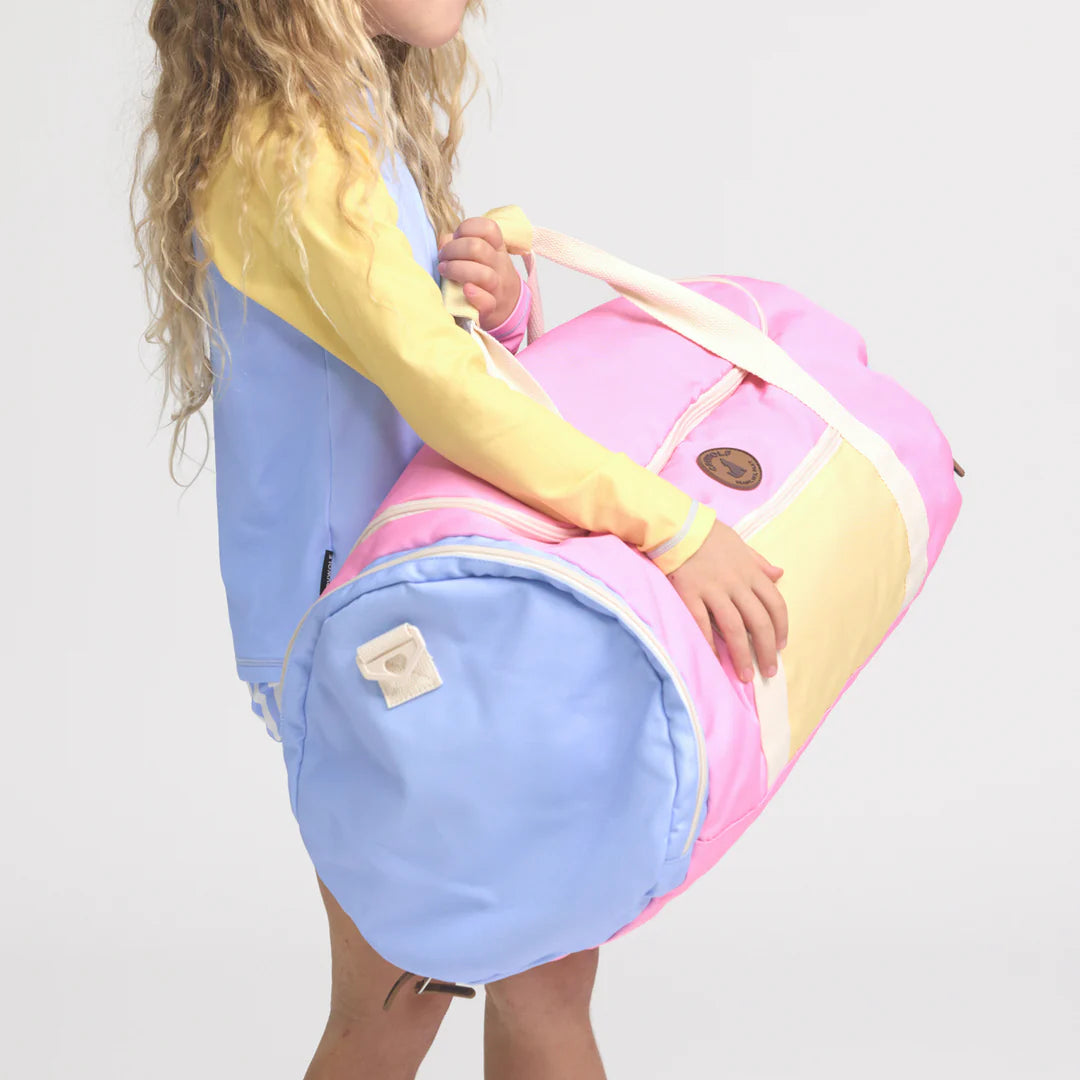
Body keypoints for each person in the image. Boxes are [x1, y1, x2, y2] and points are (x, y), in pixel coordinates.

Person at [130, 2, 788, 1076]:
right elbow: (444, 396)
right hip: (381, 642)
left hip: (455, 603)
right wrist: (673, 526)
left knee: (536, 986)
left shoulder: (342, 121)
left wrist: (501, 309)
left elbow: (432, 372)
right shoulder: (292, 149)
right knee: (402, 1003)